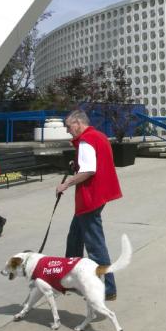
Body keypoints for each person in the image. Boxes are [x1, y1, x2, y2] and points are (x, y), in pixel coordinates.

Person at [55, 110, 123, 300]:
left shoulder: (86, 140)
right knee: (75, 238)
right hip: (96, 195)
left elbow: (89, 170)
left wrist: (66, 183)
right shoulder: (98, 136)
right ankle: (70, 277)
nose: (68, 131)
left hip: (90, 197)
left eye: (68, 127)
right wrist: (76, 162)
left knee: (95, 245)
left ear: (78, 122)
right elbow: (93, 163)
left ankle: (109, 288)